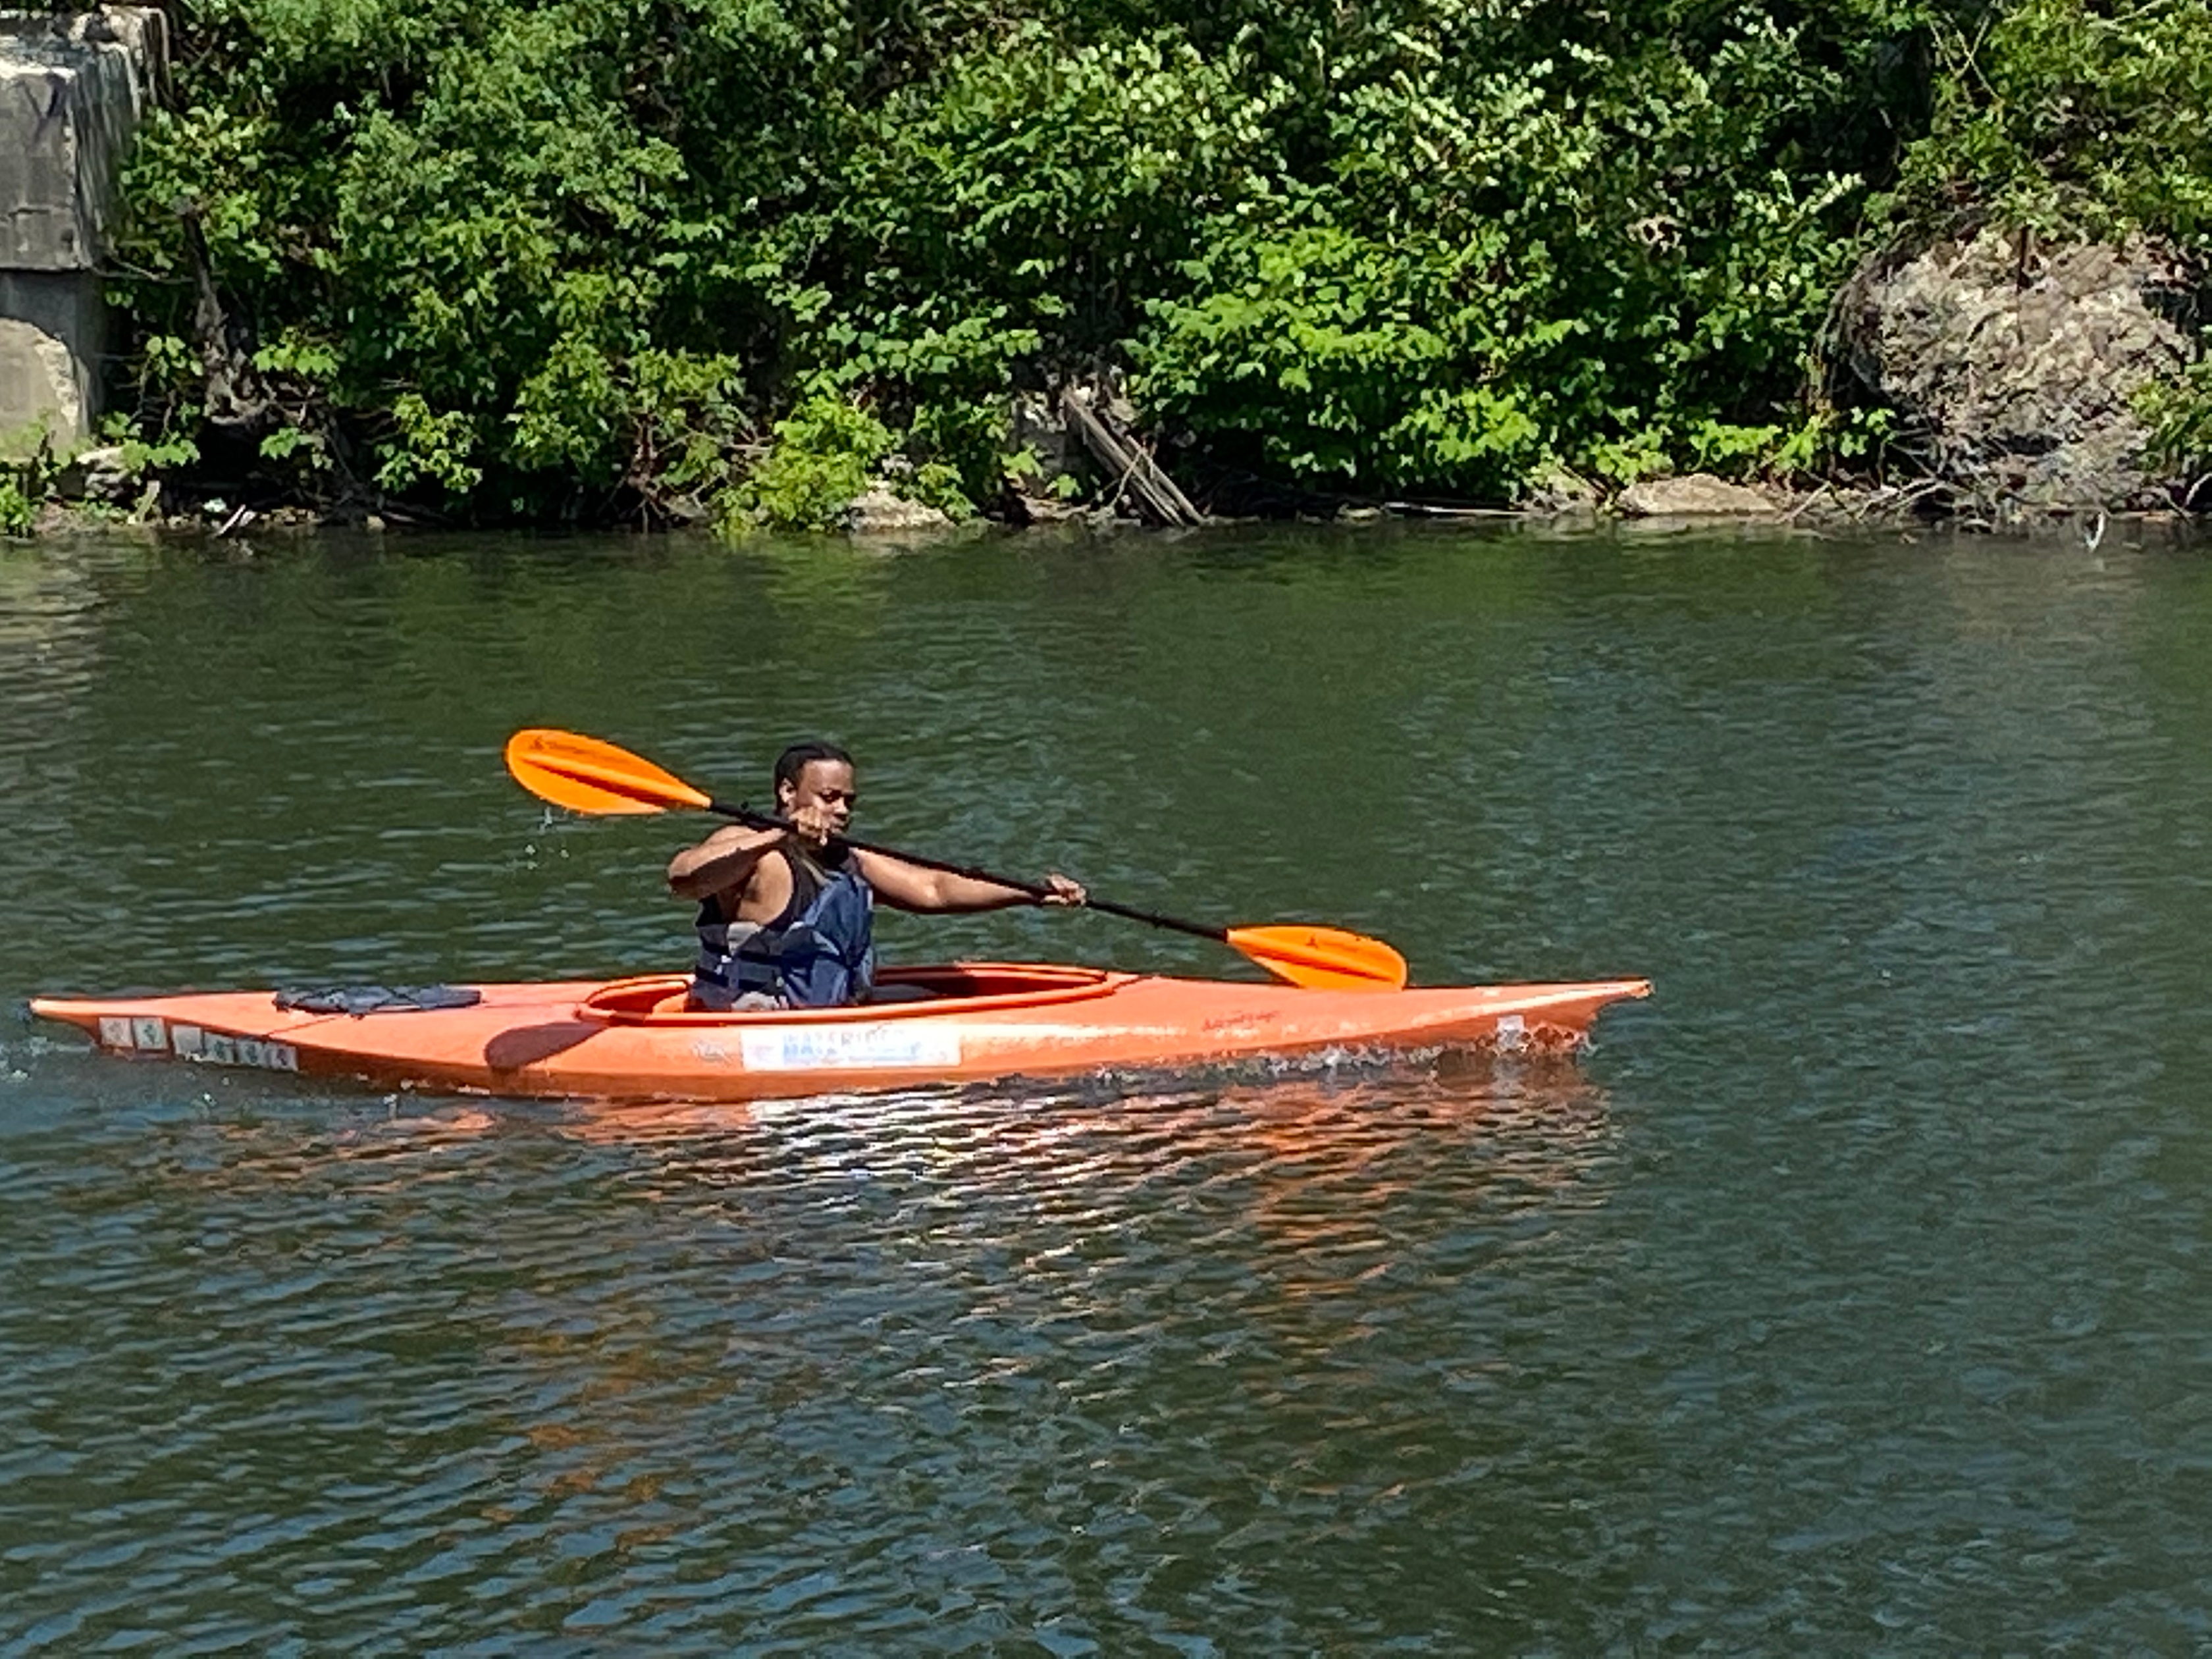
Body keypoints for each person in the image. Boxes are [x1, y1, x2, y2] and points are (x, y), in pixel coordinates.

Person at [667, 740, 1087, 1009]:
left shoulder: (850, 858)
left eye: (849, 800)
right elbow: (684, 878)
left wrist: (1029, 893)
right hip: (752, 1017)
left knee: (932, 1000)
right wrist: (778, 836)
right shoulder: (749, 845)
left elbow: (933, 889)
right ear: (788, 793)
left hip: (831, 1013)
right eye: (829, 798)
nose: (843, 810)